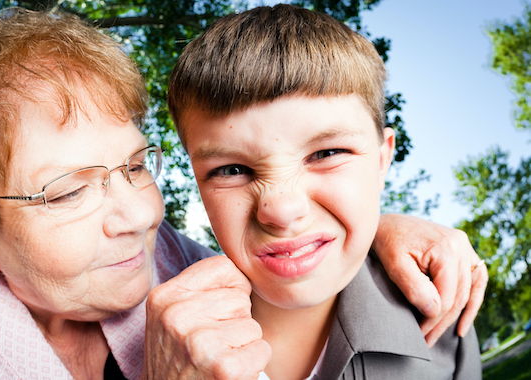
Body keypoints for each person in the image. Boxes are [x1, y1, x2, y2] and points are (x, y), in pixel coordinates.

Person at [0, 7, 485, 380]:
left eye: (137, 167)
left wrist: (382, 227)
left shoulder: (171, 263)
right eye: (66, 193)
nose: (139, 216)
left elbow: (280, 231)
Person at [152, 4, 482, 379]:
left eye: (327, 153)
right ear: (198, 184)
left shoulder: (446, 327)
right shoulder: (157, 338)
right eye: (232, 170)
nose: (281, 208)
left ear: (382, 158)